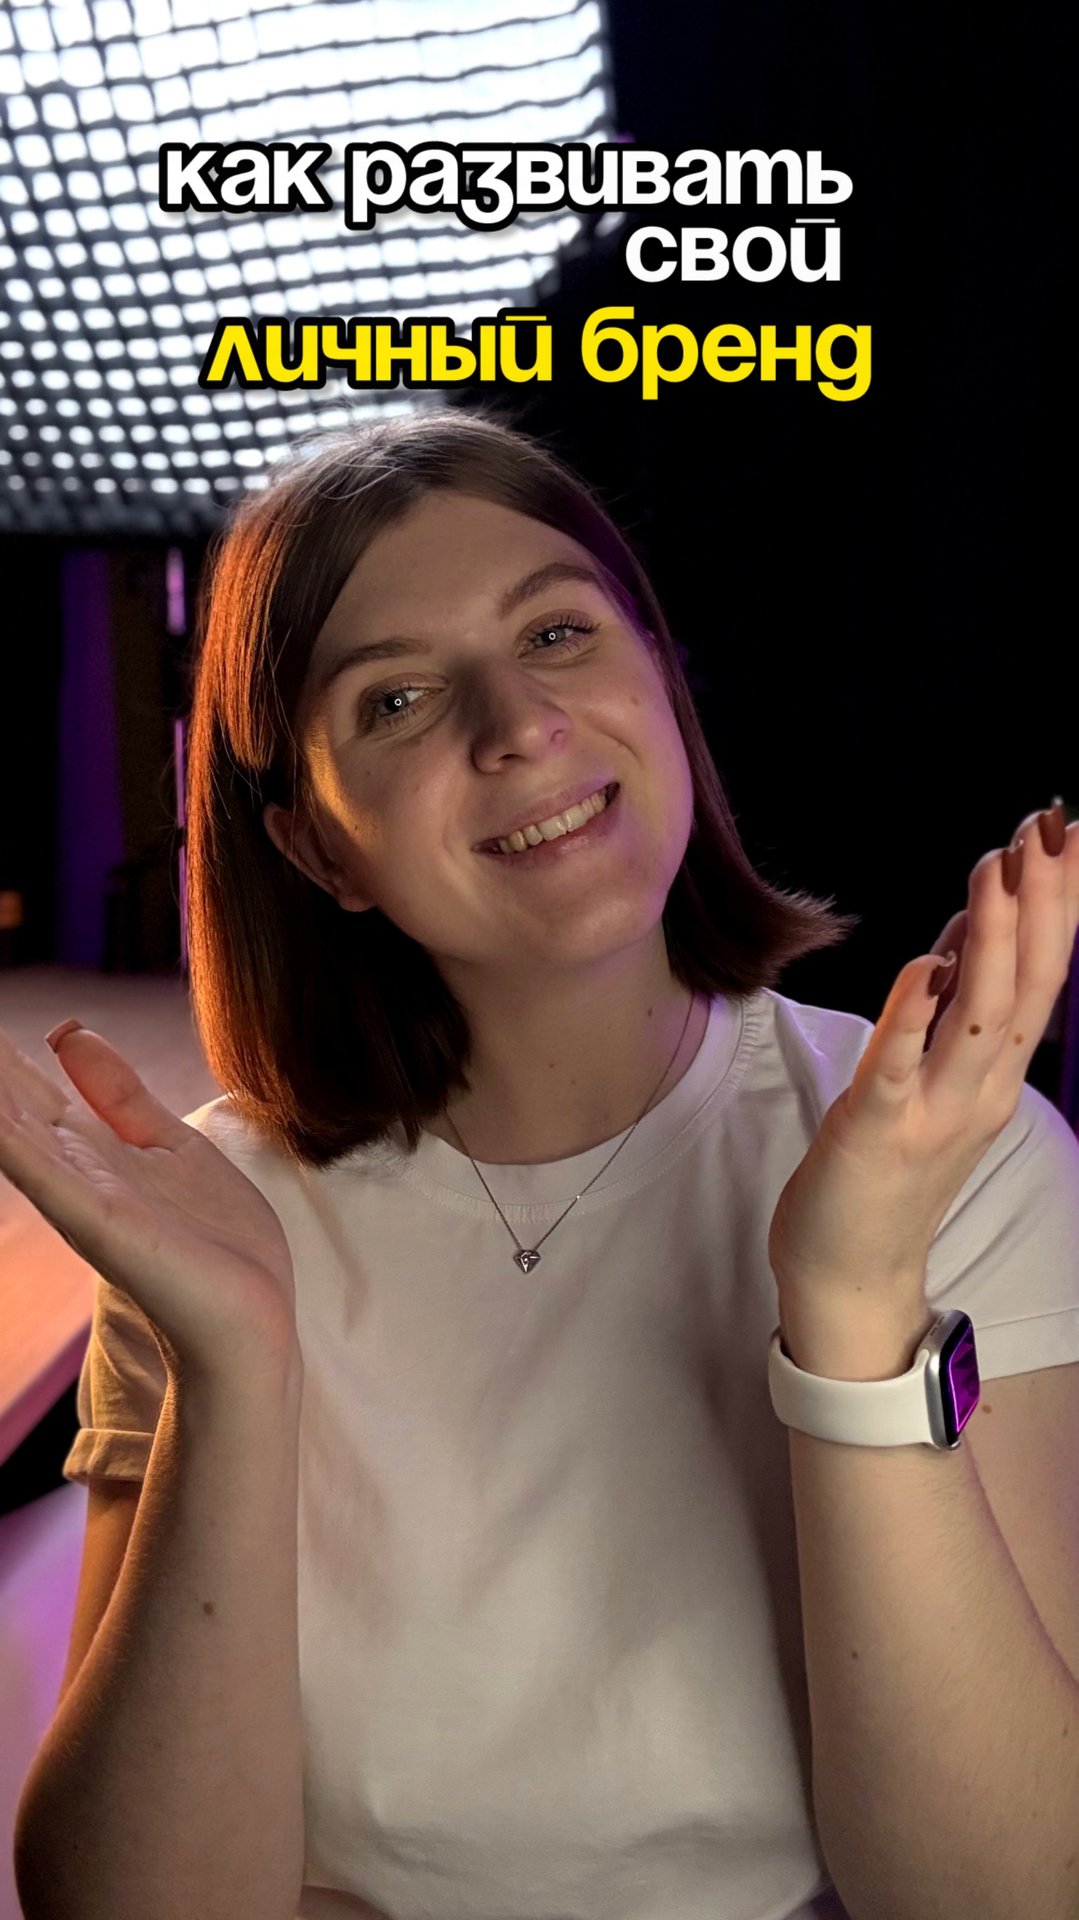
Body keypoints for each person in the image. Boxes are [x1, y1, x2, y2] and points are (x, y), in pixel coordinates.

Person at [9, 411, 1077, 1920]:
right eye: (396, 699)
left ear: (660, 681)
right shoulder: (205, 1221)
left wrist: (855, 1302)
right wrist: (236, 1363)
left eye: (558, 632)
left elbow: (1007, 1891)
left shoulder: (958, 1160)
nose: (515, 724)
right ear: (318, 851)